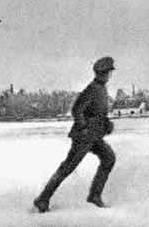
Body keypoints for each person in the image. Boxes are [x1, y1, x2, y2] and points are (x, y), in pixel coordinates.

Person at [33, 56, 116, 213]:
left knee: (109, 158)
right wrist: (84, 127)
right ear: (102, 73)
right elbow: (77, 110)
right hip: (83, 137)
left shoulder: (102, 88)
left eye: (109, 73)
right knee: (68, 167)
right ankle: (42, 199)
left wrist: (107, 124)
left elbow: (98, 112)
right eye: (108, 73)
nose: (109, 75)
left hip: (95, 136)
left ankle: (94, 196)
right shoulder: (92, 89)